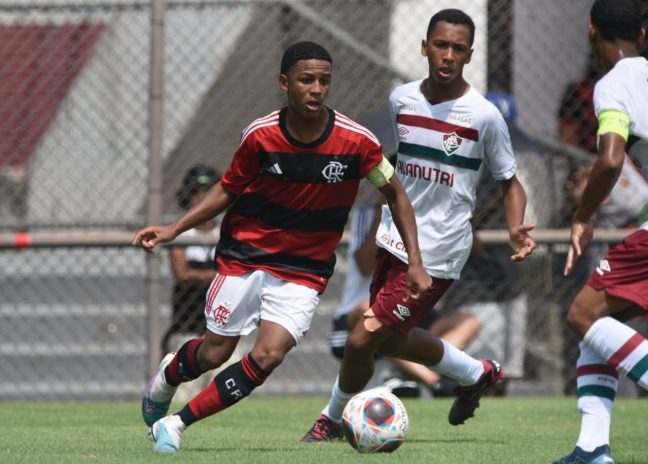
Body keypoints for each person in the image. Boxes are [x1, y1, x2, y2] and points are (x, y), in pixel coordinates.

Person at [132, 40, 431, 454]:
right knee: (214, 353)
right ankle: (168, 376)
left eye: (324, 81)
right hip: (245, 258)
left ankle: (177, 425)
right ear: (284, 83)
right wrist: (174, 229)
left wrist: (415, 261)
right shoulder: (260, 136)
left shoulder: (357, 142)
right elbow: (227, 189)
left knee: (268, 355)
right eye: (306, 80)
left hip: (304, 271)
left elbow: (396, 193)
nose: (316, 89)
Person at [302, 8, 536, 442]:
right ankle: (477, 372)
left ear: (469, 55)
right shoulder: (401, 100)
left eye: (458, 48)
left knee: (360, 340)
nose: (448, 55)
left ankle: (329, 420)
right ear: (425, 47)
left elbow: (509, 181)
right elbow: (394, 166)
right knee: (389, 341)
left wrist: (515, 227)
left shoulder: (483, 116)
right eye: (441, 45)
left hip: (439, 251)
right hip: (394, 236)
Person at [556, 1, 648, 463]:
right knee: (597, 315)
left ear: (591, 33)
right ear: (644, 34)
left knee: (583, 316)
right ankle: (592, 449)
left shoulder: (614, 84)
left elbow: (611, 159)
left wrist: (583, 215)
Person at [329, 199, 481, 397]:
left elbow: (477, 248)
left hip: (410, 306)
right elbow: (365, 265)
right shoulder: (368, 211)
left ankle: (414, 377)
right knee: (372, 313)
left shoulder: (436, 208)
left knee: (469, 322)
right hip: (359, 315)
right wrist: (390, 207)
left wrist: (460, 221)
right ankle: (435, 383)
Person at [162, 165, 220, 358]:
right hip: (187, 325)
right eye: (196, 192)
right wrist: (219, 275)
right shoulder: (181, 234)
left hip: (220, 327)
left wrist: (201, 276)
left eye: (208, 192)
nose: (202, 199)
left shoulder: (226, 233)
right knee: (185, 385)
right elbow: (183, 274)